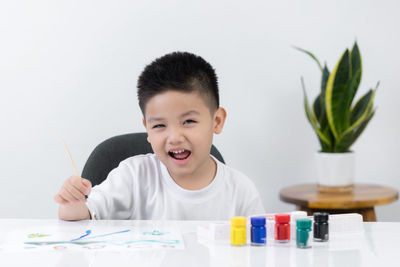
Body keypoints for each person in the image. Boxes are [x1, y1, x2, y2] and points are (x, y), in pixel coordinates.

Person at [54, 52, 265, 220]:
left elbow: (259, 252)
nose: (174, 137)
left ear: (217, 121)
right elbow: (85, 214)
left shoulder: (241, 191)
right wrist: (73, 205)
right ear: (147, 129)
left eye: (188, 121)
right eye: (160, 125)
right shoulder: (133, 176)